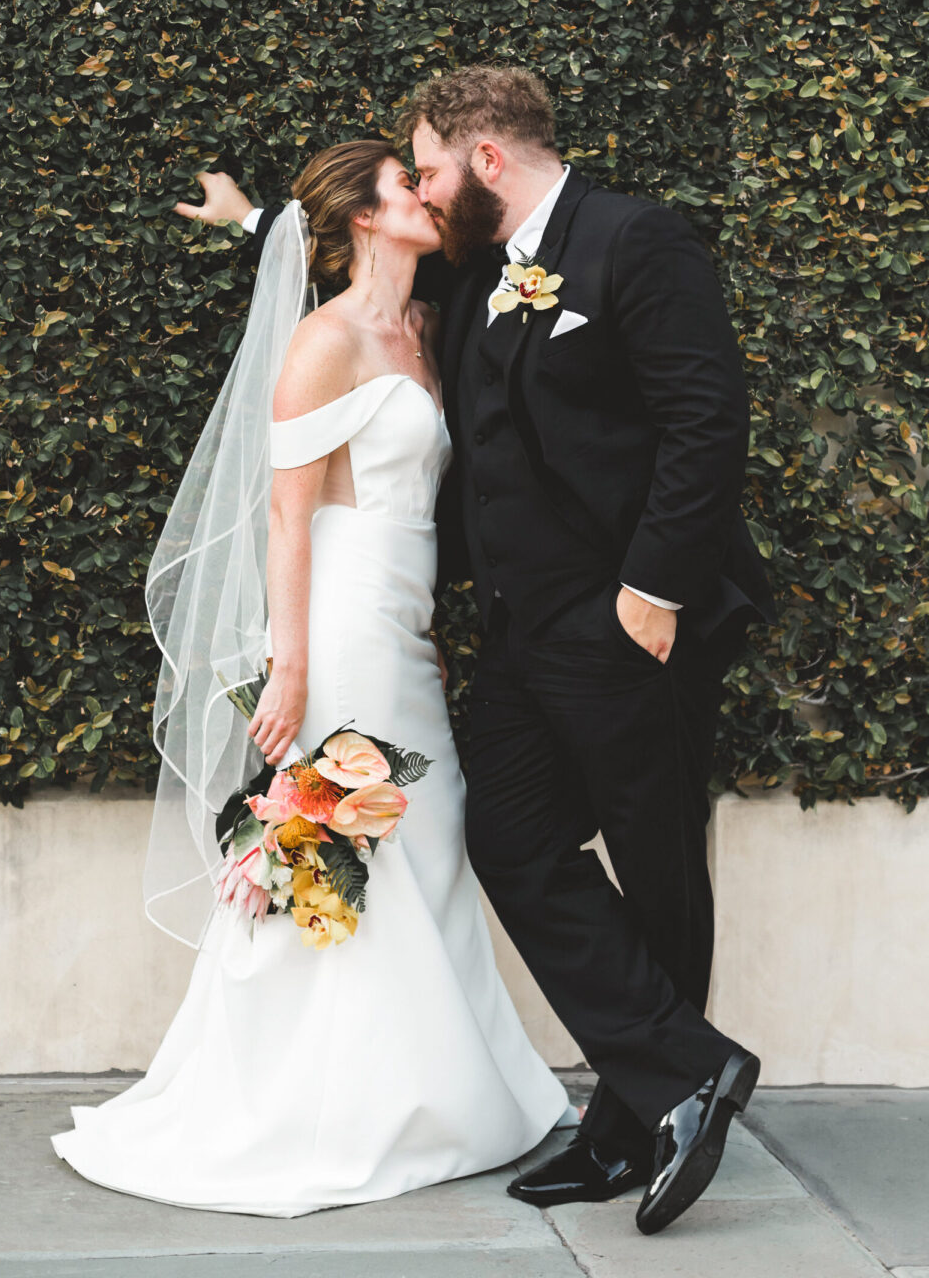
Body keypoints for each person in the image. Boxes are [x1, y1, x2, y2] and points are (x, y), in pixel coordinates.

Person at [50, 139, 573, 1217]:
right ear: (368, 219)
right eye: (404, 186)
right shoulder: (322, 344)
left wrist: (256, 223)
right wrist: (289, 668)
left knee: (424, 835)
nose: (427, 197)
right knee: (342, 839)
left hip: (405, 625)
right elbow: (288, 516)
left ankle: (434, 1089)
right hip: (338, 628)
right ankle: (321, 1104)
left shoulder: (428, 325)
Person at [398, 65, 778, 1235]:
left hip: (630, 621)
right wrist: (262, 221)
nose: (422, 188)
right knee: (509, 840)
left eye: (429, 168)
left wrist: (650, 589)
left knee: (655, 863)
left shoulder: (636, 240)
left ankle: (630, 1126)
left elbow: (705, 417)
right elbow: (374, 243)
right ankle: (683, 1072)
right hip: (520, 629)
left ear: (489, 160)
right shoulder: (478, 261)